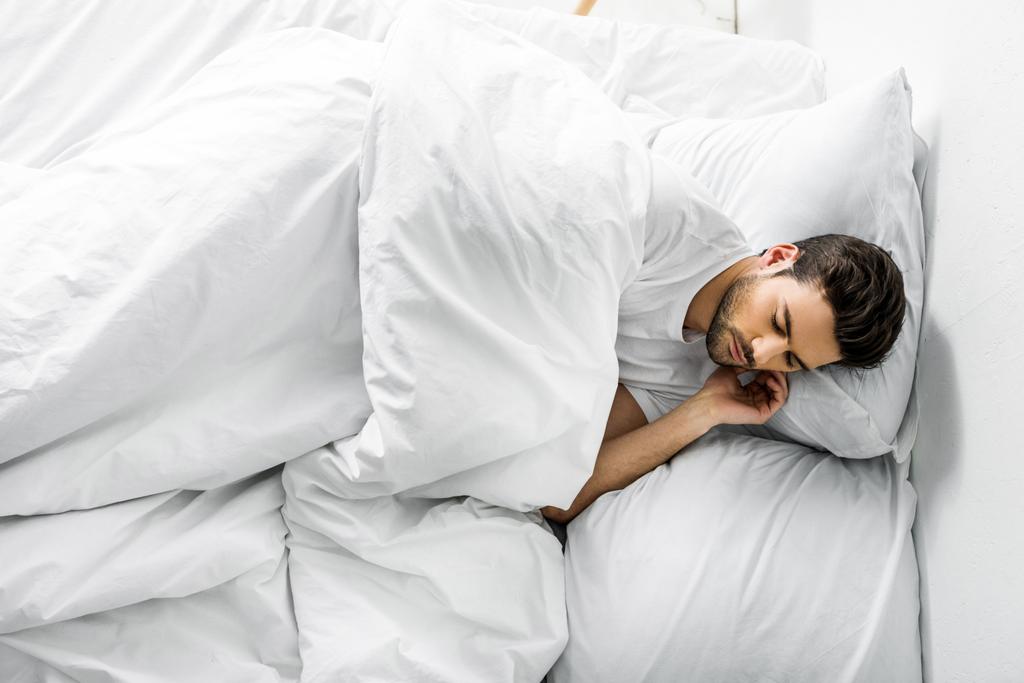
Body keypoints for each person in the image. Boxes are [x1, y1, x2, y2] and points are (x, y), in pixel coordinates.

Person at [541, 173, 907, 525]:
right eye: (779, 321)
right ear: (778, 258)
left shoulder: (693, 383)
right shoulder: (673, 221)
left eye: (791, 359)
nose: (761, 355)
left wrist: (703, 411)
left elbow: (555, 496)